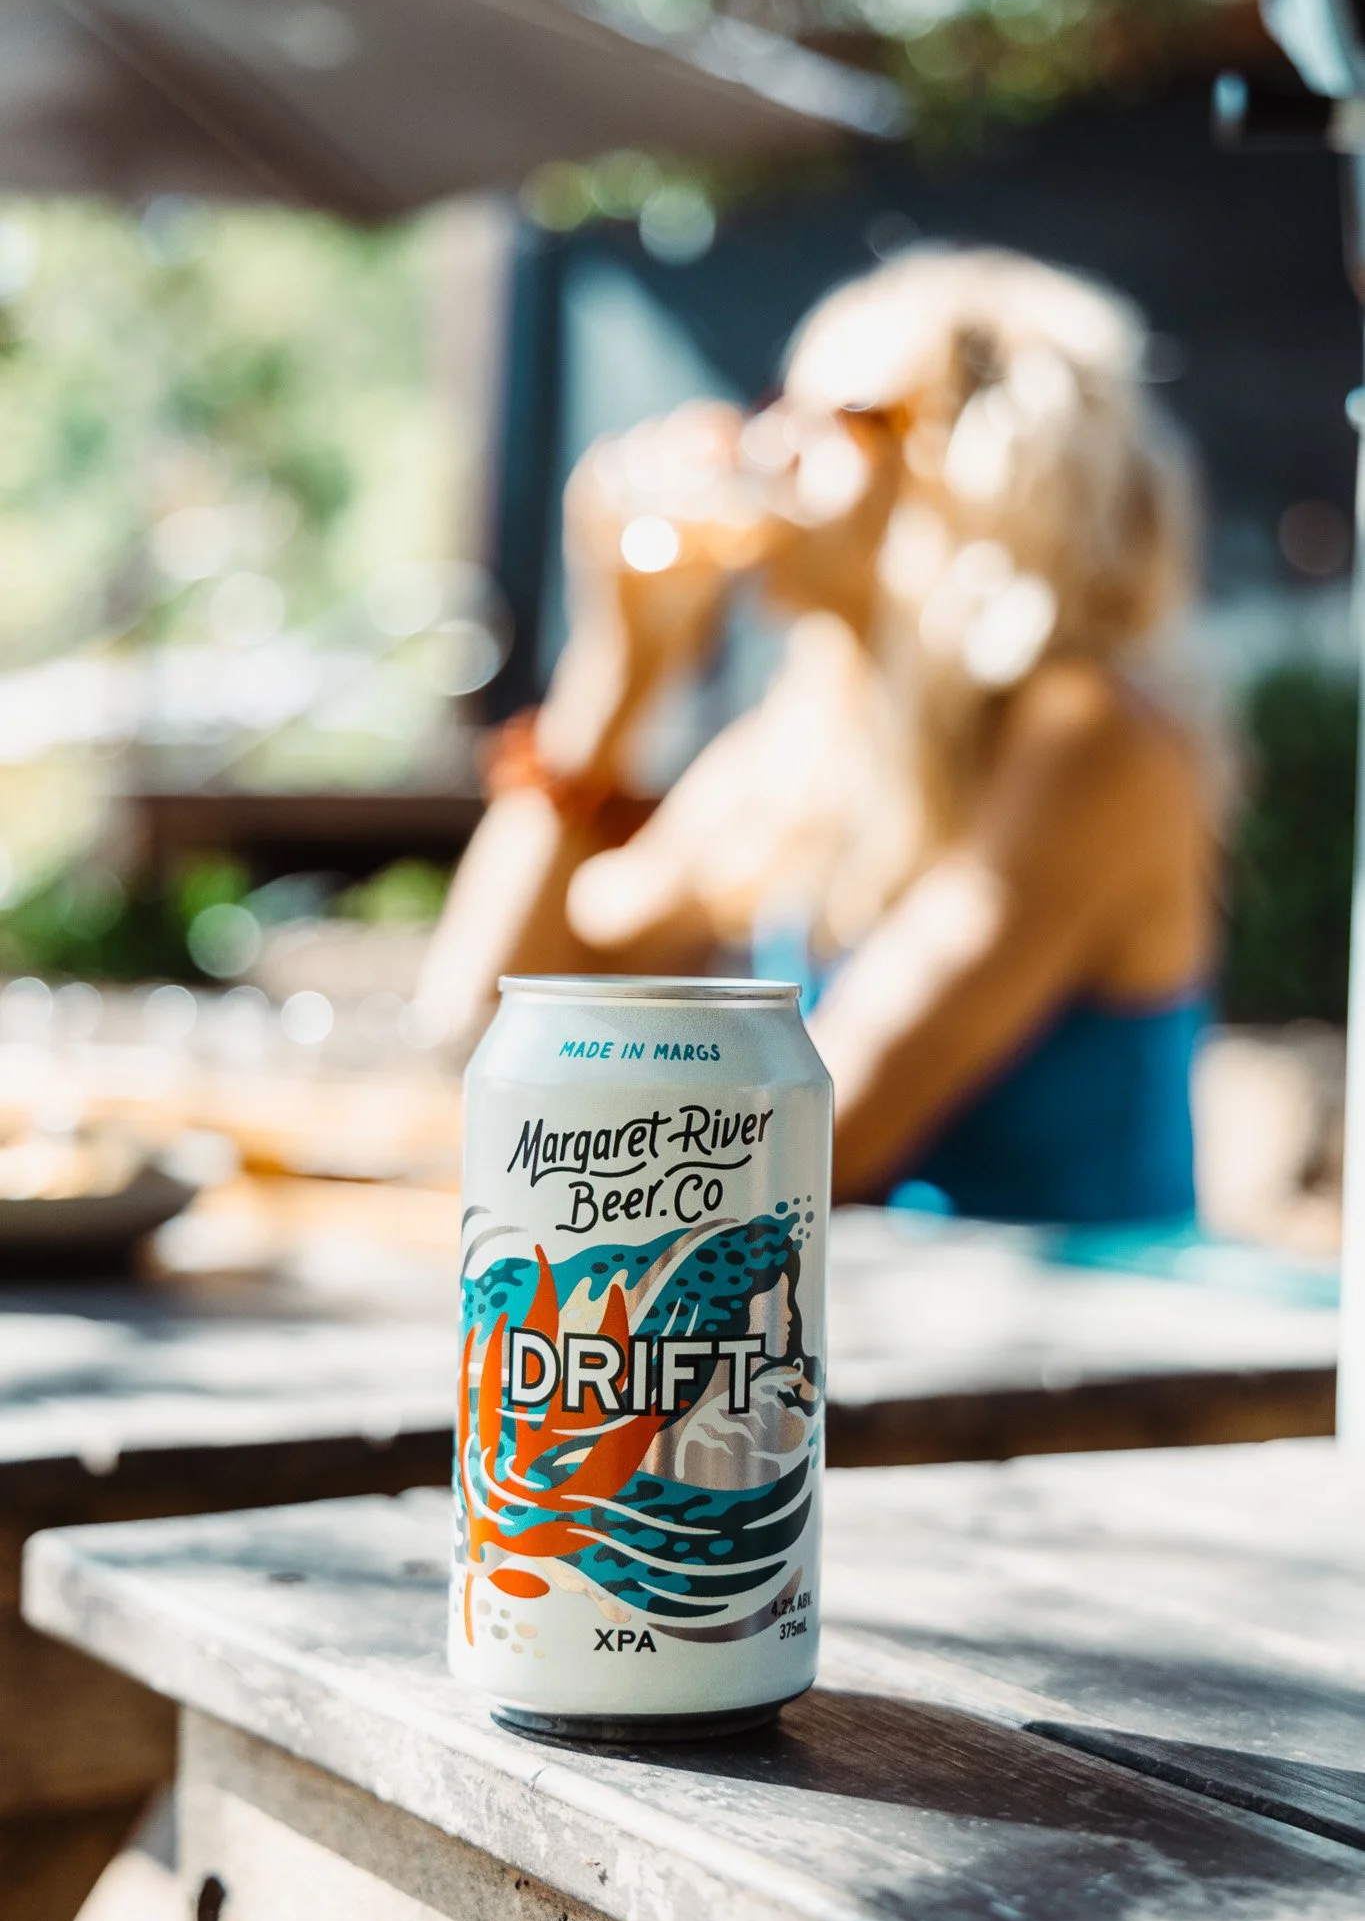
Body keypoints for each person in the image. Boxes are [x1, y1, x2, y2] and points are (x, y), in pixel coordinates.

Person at [420, 247, 1215, 1223]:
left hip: (1088, 1317)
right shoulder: (805, 737)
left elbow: (819, 1143)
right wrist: (613, 675)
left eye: (825, 417)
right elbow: (485, 1022)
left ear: (986, 464)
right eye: (771, 408)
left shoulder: (1094, 740)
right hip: (859, 1306)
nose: (760, 450)